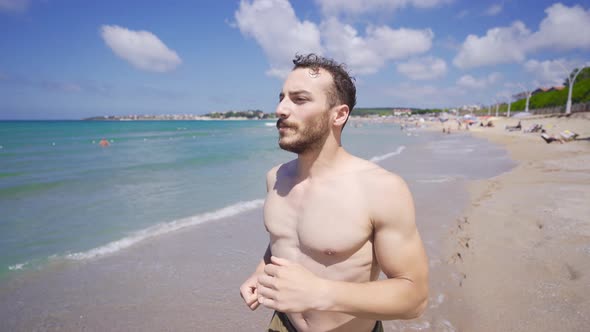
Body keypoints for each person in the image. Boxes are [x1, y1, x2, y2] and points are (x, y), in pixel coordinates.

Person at [239, 54, 429, 332]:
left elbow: (414, 298)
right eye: (281, 98)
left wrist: (320, 292)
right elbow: (282, 241)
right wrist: (259, 272)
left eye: (299, 99)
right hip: (282, 325)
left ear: (339, 114)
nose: (280, 109)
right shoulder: (276, 178)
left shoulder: (381, 189)